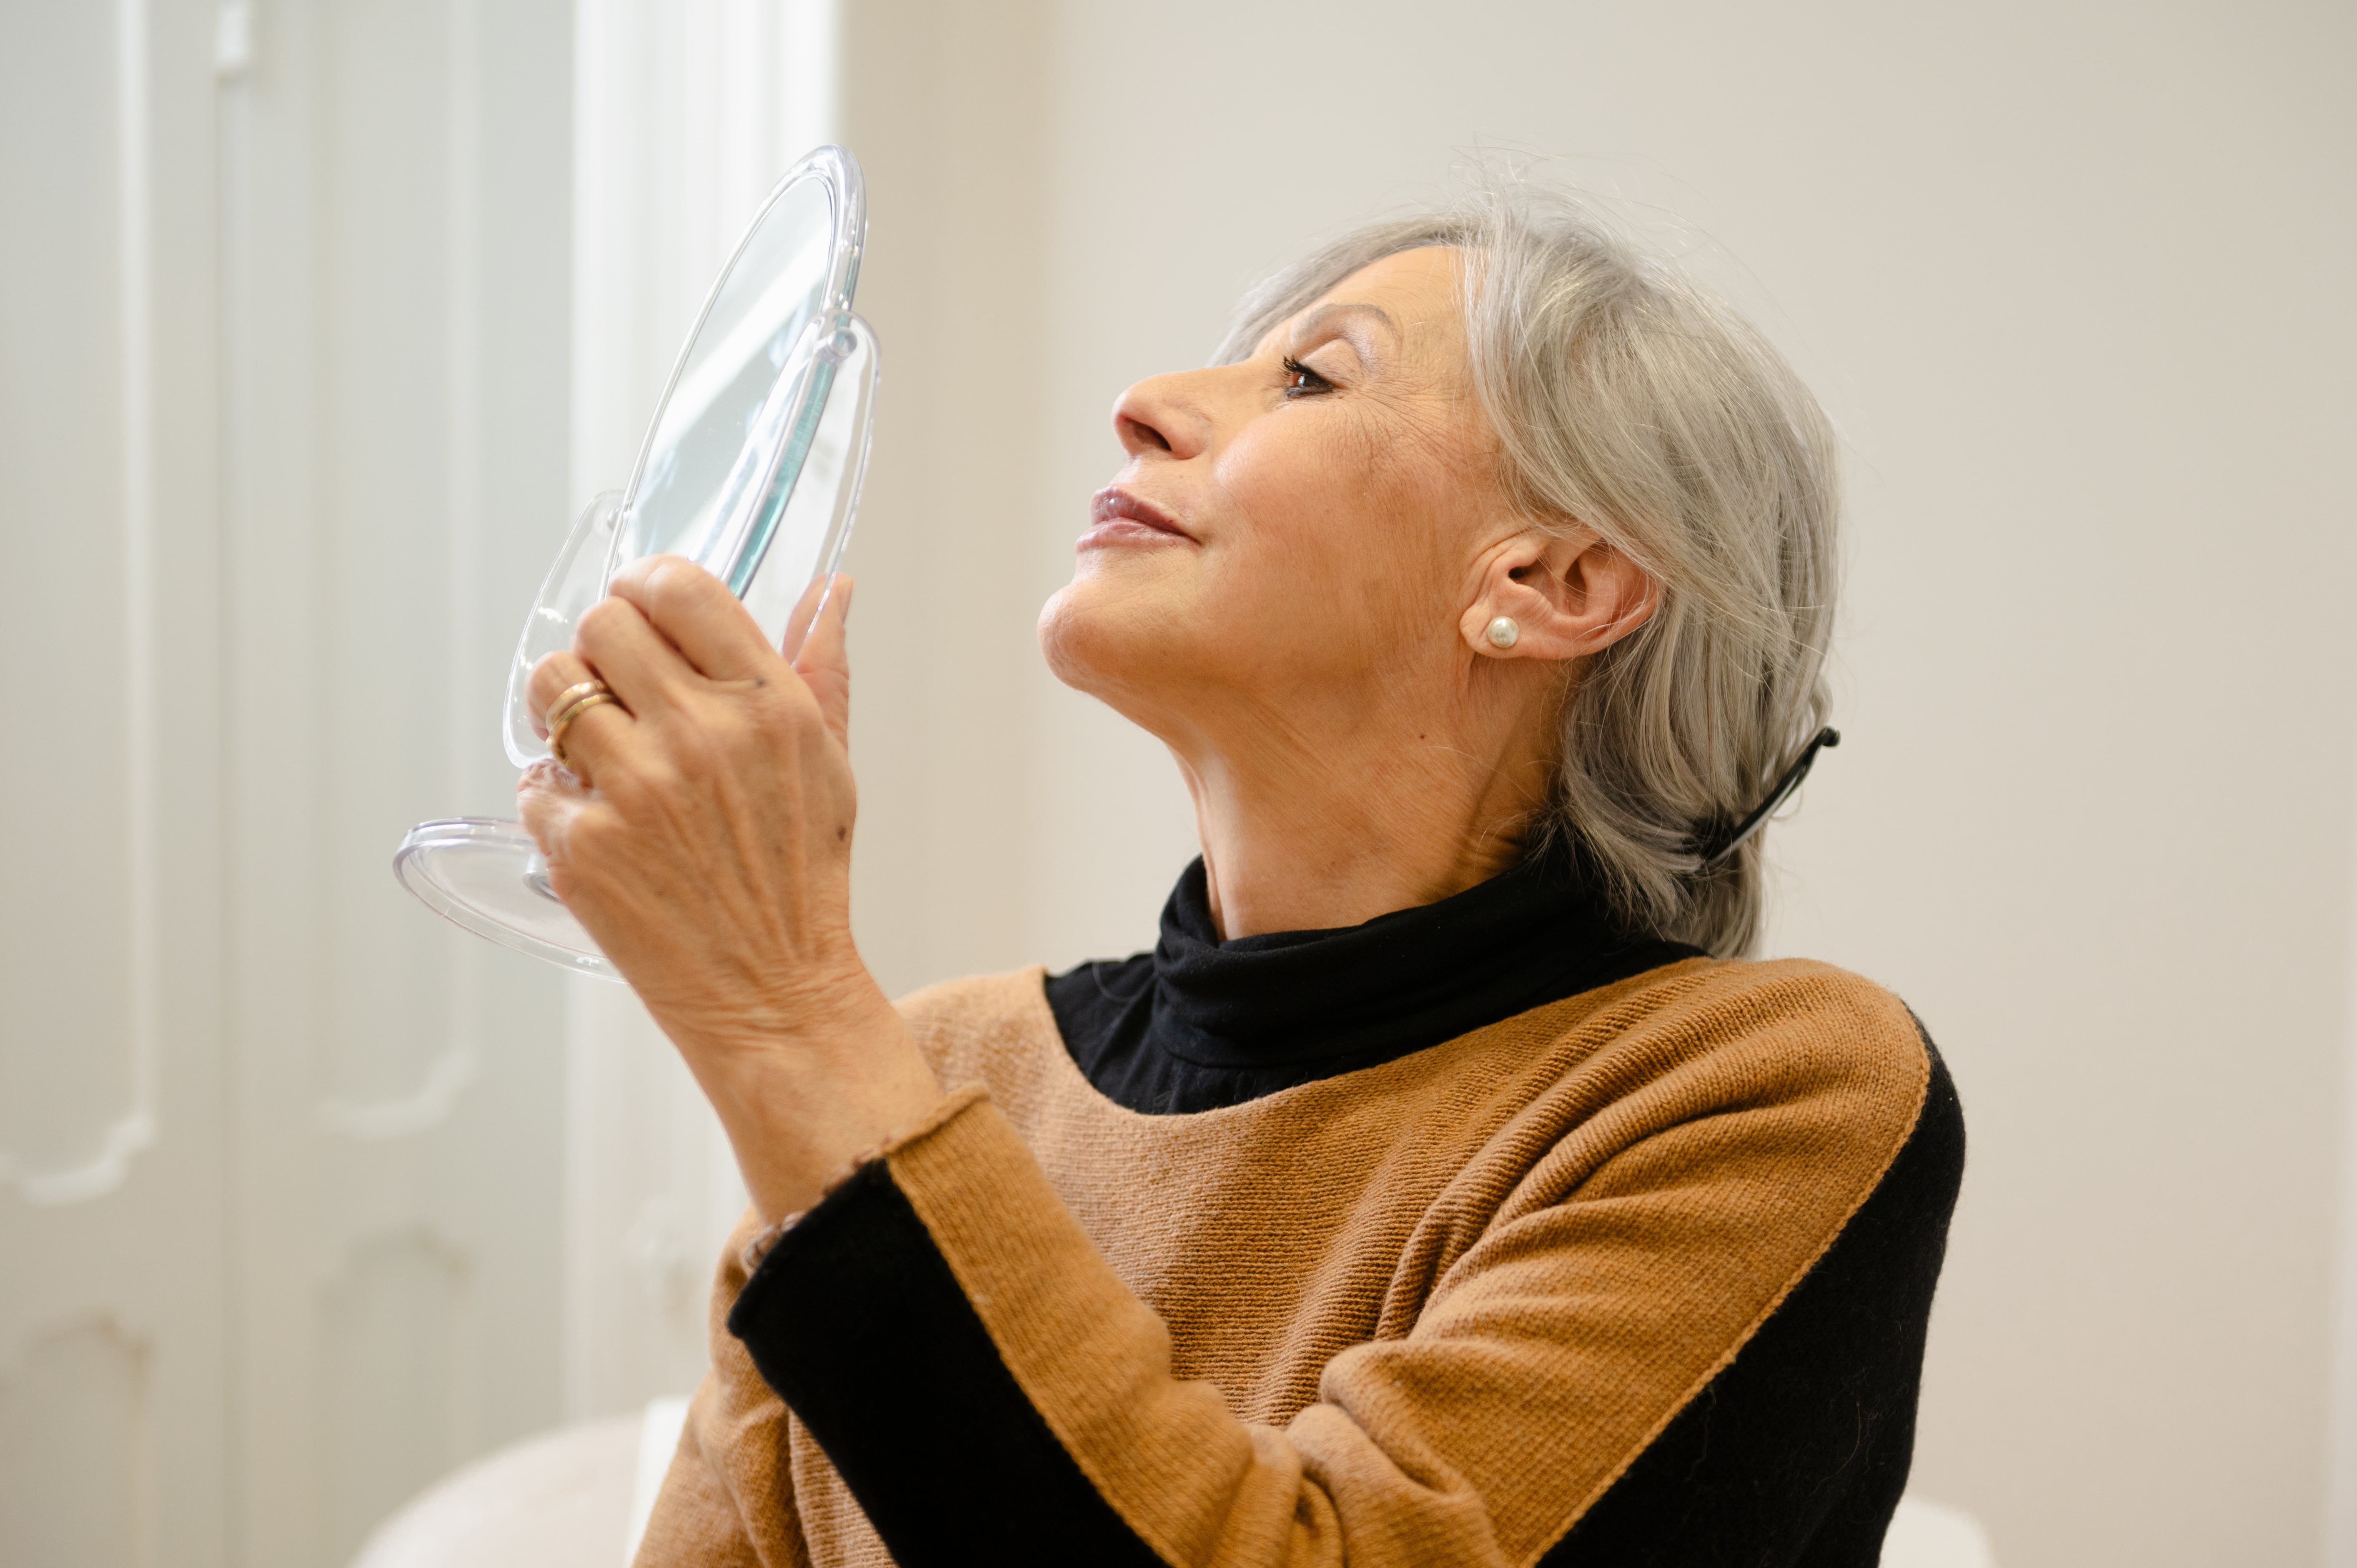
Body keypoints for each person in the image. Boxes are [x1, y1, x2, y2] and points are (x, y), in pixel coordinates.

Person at [519, 186, 1964, 1567]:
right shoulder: (941, 1066)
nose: (1144, 401)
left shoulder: (1764, 1092)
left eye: (1311, 380)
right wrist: (812, 1038)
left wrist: (783, 1011)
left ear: (1553, 583)